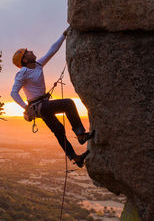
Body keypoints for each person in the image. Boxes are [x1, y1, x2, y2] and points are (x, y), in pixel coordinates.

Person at [10, 27, 94, 167]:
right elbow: (13, 93)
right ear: (24, 59)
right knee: (68, 104)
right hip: (39, 107)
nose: (31, 51)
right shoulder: (23, 72)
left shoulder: (37, 65)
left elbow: (52, 50)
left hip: (42, 106)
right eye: (28, 52)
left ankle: (75, 158)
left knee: (59, 131)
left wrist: (63, 35)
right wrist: (26, 108)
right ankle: (80, 134)